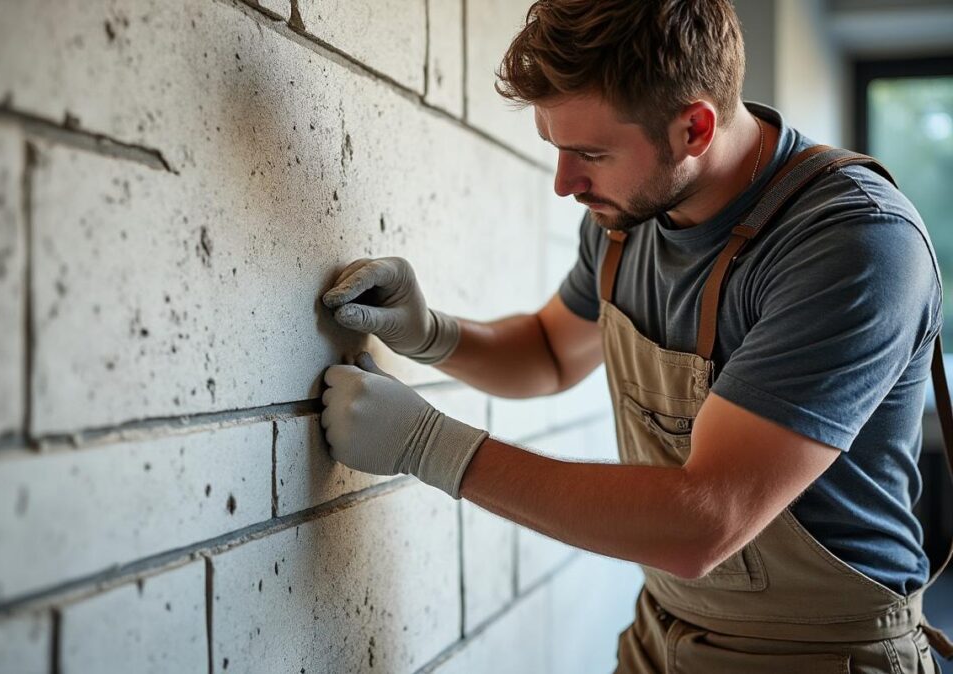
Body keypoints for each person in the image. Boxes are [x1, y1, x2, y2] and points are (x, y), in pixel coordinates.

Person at [318, 1, 953, 671]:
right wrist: (430, 333)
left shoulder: (854, 244)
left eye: (589, 153)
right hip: (664, 632)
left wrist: (429, 446)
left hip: (819, 653)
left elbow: (703, 522)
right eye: (556, 148)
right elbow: (548, 351)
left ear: (694, 128)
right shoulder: (627, 215)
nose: (565, 184)